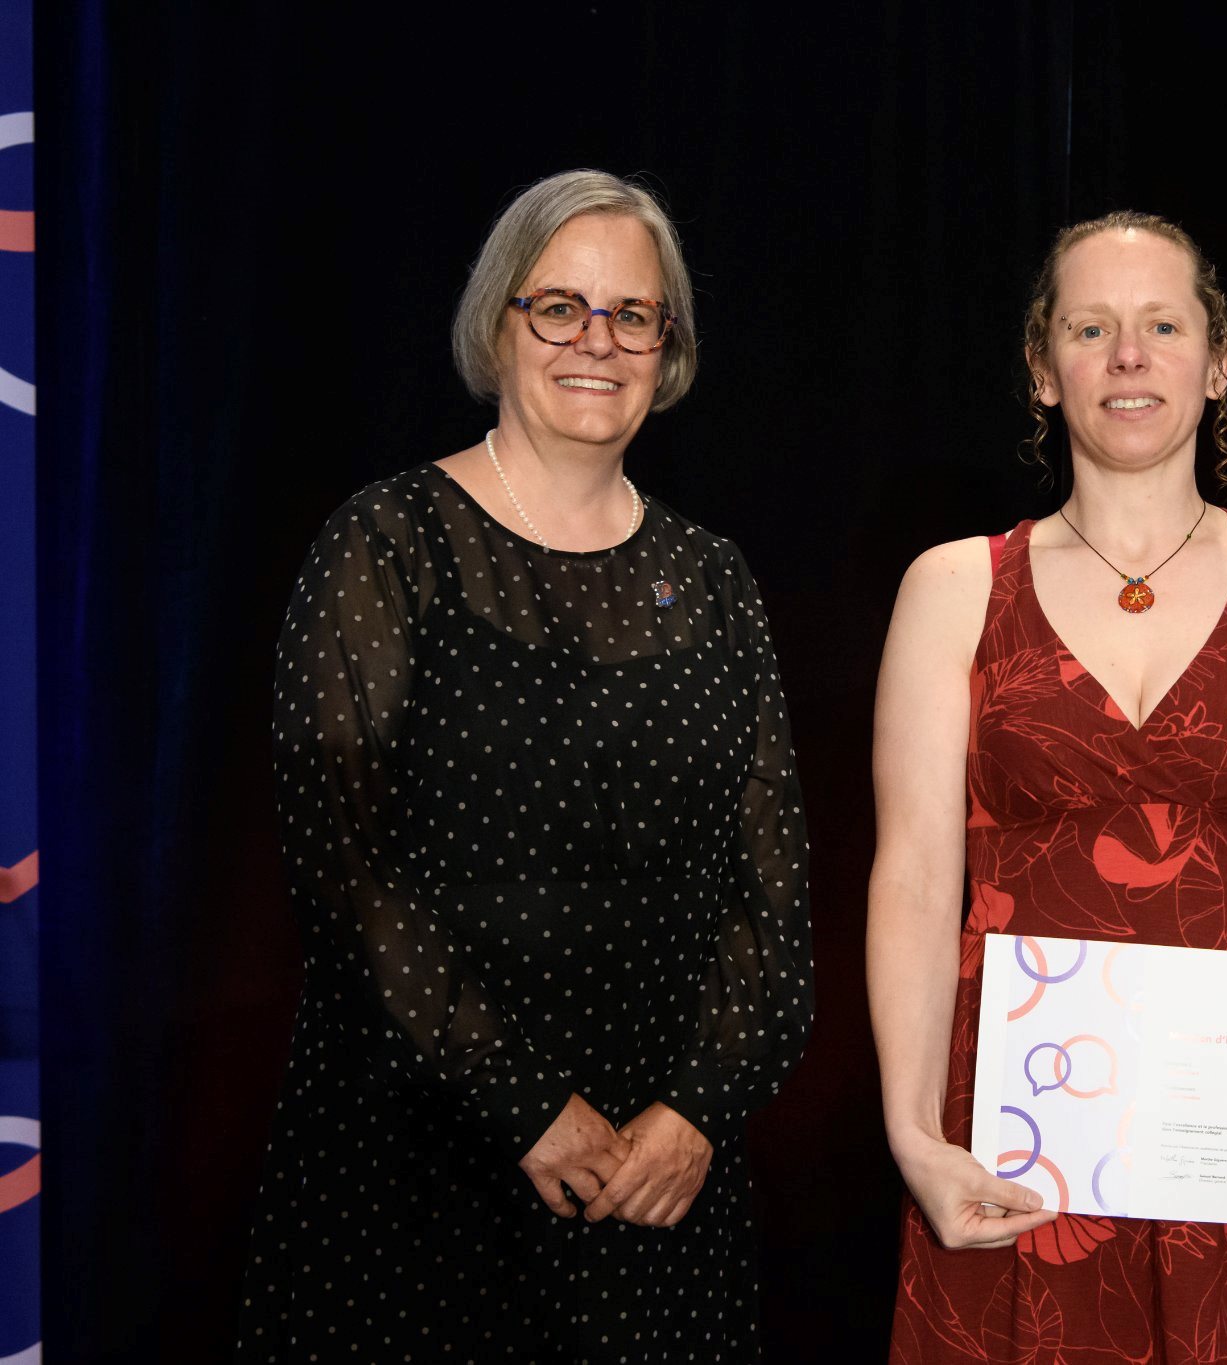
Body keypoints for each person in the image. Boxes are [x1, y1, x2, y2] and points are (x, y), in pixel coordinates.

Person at [237, 170, 813, 1362]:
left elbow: (775, 896)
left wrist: (698, 1112)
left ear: (669, 346)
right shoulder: (386, 543)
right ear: (498, 324)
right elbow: (340, 875)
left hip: (663, 1185)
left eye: (631, 315)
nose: (595, 342)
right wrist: (524, 1108)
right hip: (420, 1167)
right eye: (560, 307)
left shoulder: (713, 577)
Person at [870, 211, 1227, 1364]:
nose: (1127, 356)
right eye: (1090, 327)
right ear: (1039, 369)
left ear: (1215, 364)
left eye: (1162, 325)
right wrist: (913, 1130)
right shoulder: (951, 587)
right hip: (1017, 1142)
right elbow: (914, 875)